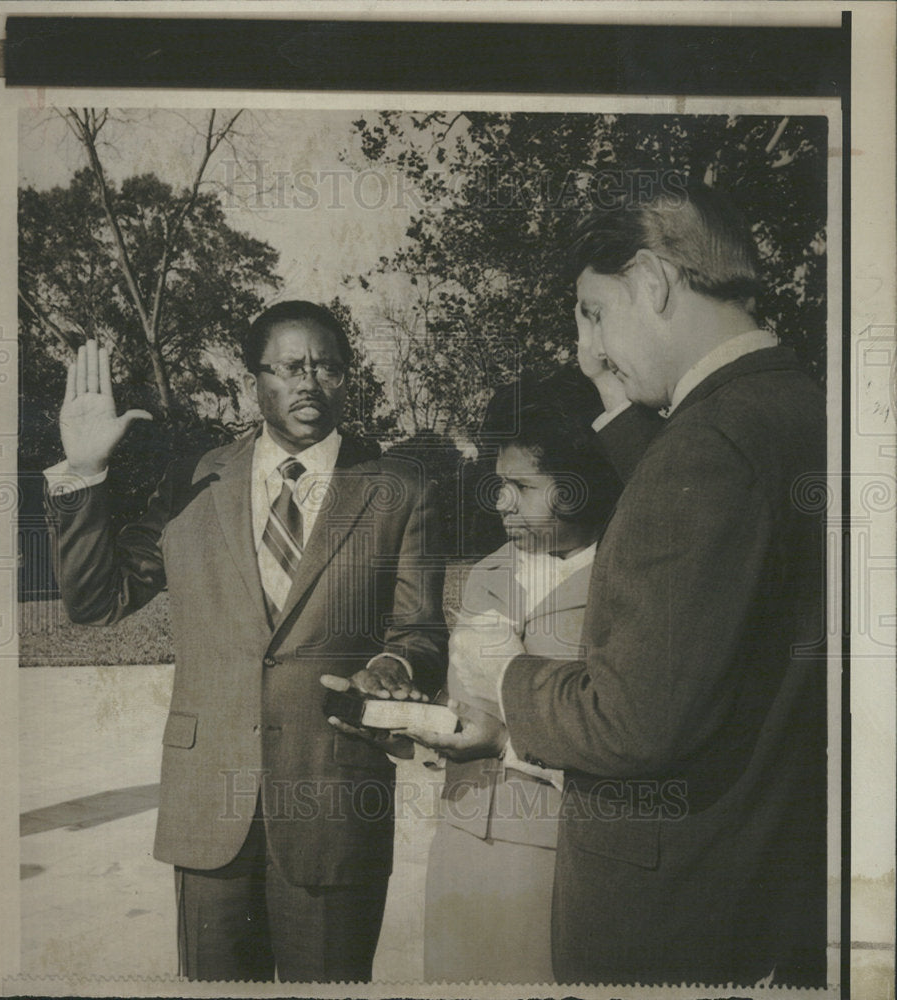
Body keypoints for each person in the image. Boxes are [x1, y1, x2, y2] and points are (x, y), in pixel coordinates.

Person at [44, 301, 447, 982]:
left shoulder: (397, 490)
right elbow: (96, 602)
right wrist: (83, 473)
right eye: (291, 367)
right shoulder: (194, 479)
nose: (311, 383)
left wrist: (391, 664)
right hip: (209, 810)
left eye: (329, 368)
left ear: (349, 379)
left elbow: (420, 632)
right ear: (252, 378)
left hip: (333, 807)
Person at [494, 181, 828, 987]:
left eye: (596, 313)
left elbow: (631, 722)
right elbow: (701, 543)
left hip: (667, 920)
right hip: (758, 887)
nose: (593, 348)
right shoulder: (796, 408)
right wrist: (615, 396)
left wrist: (508, 681)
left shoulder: (709, 443)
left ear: (652, 283)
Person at [417, 396, 626, 984]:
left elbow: (627, 731)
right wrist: (424, 722)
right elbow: (466, 704)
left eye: (521, 485)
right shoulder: (486, 572)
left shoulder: (625, 579)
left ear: (578, 485)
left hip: (564, 857)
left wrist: (504, 742)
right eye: (497, 483)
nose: (500, 500)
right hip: (459, 844)